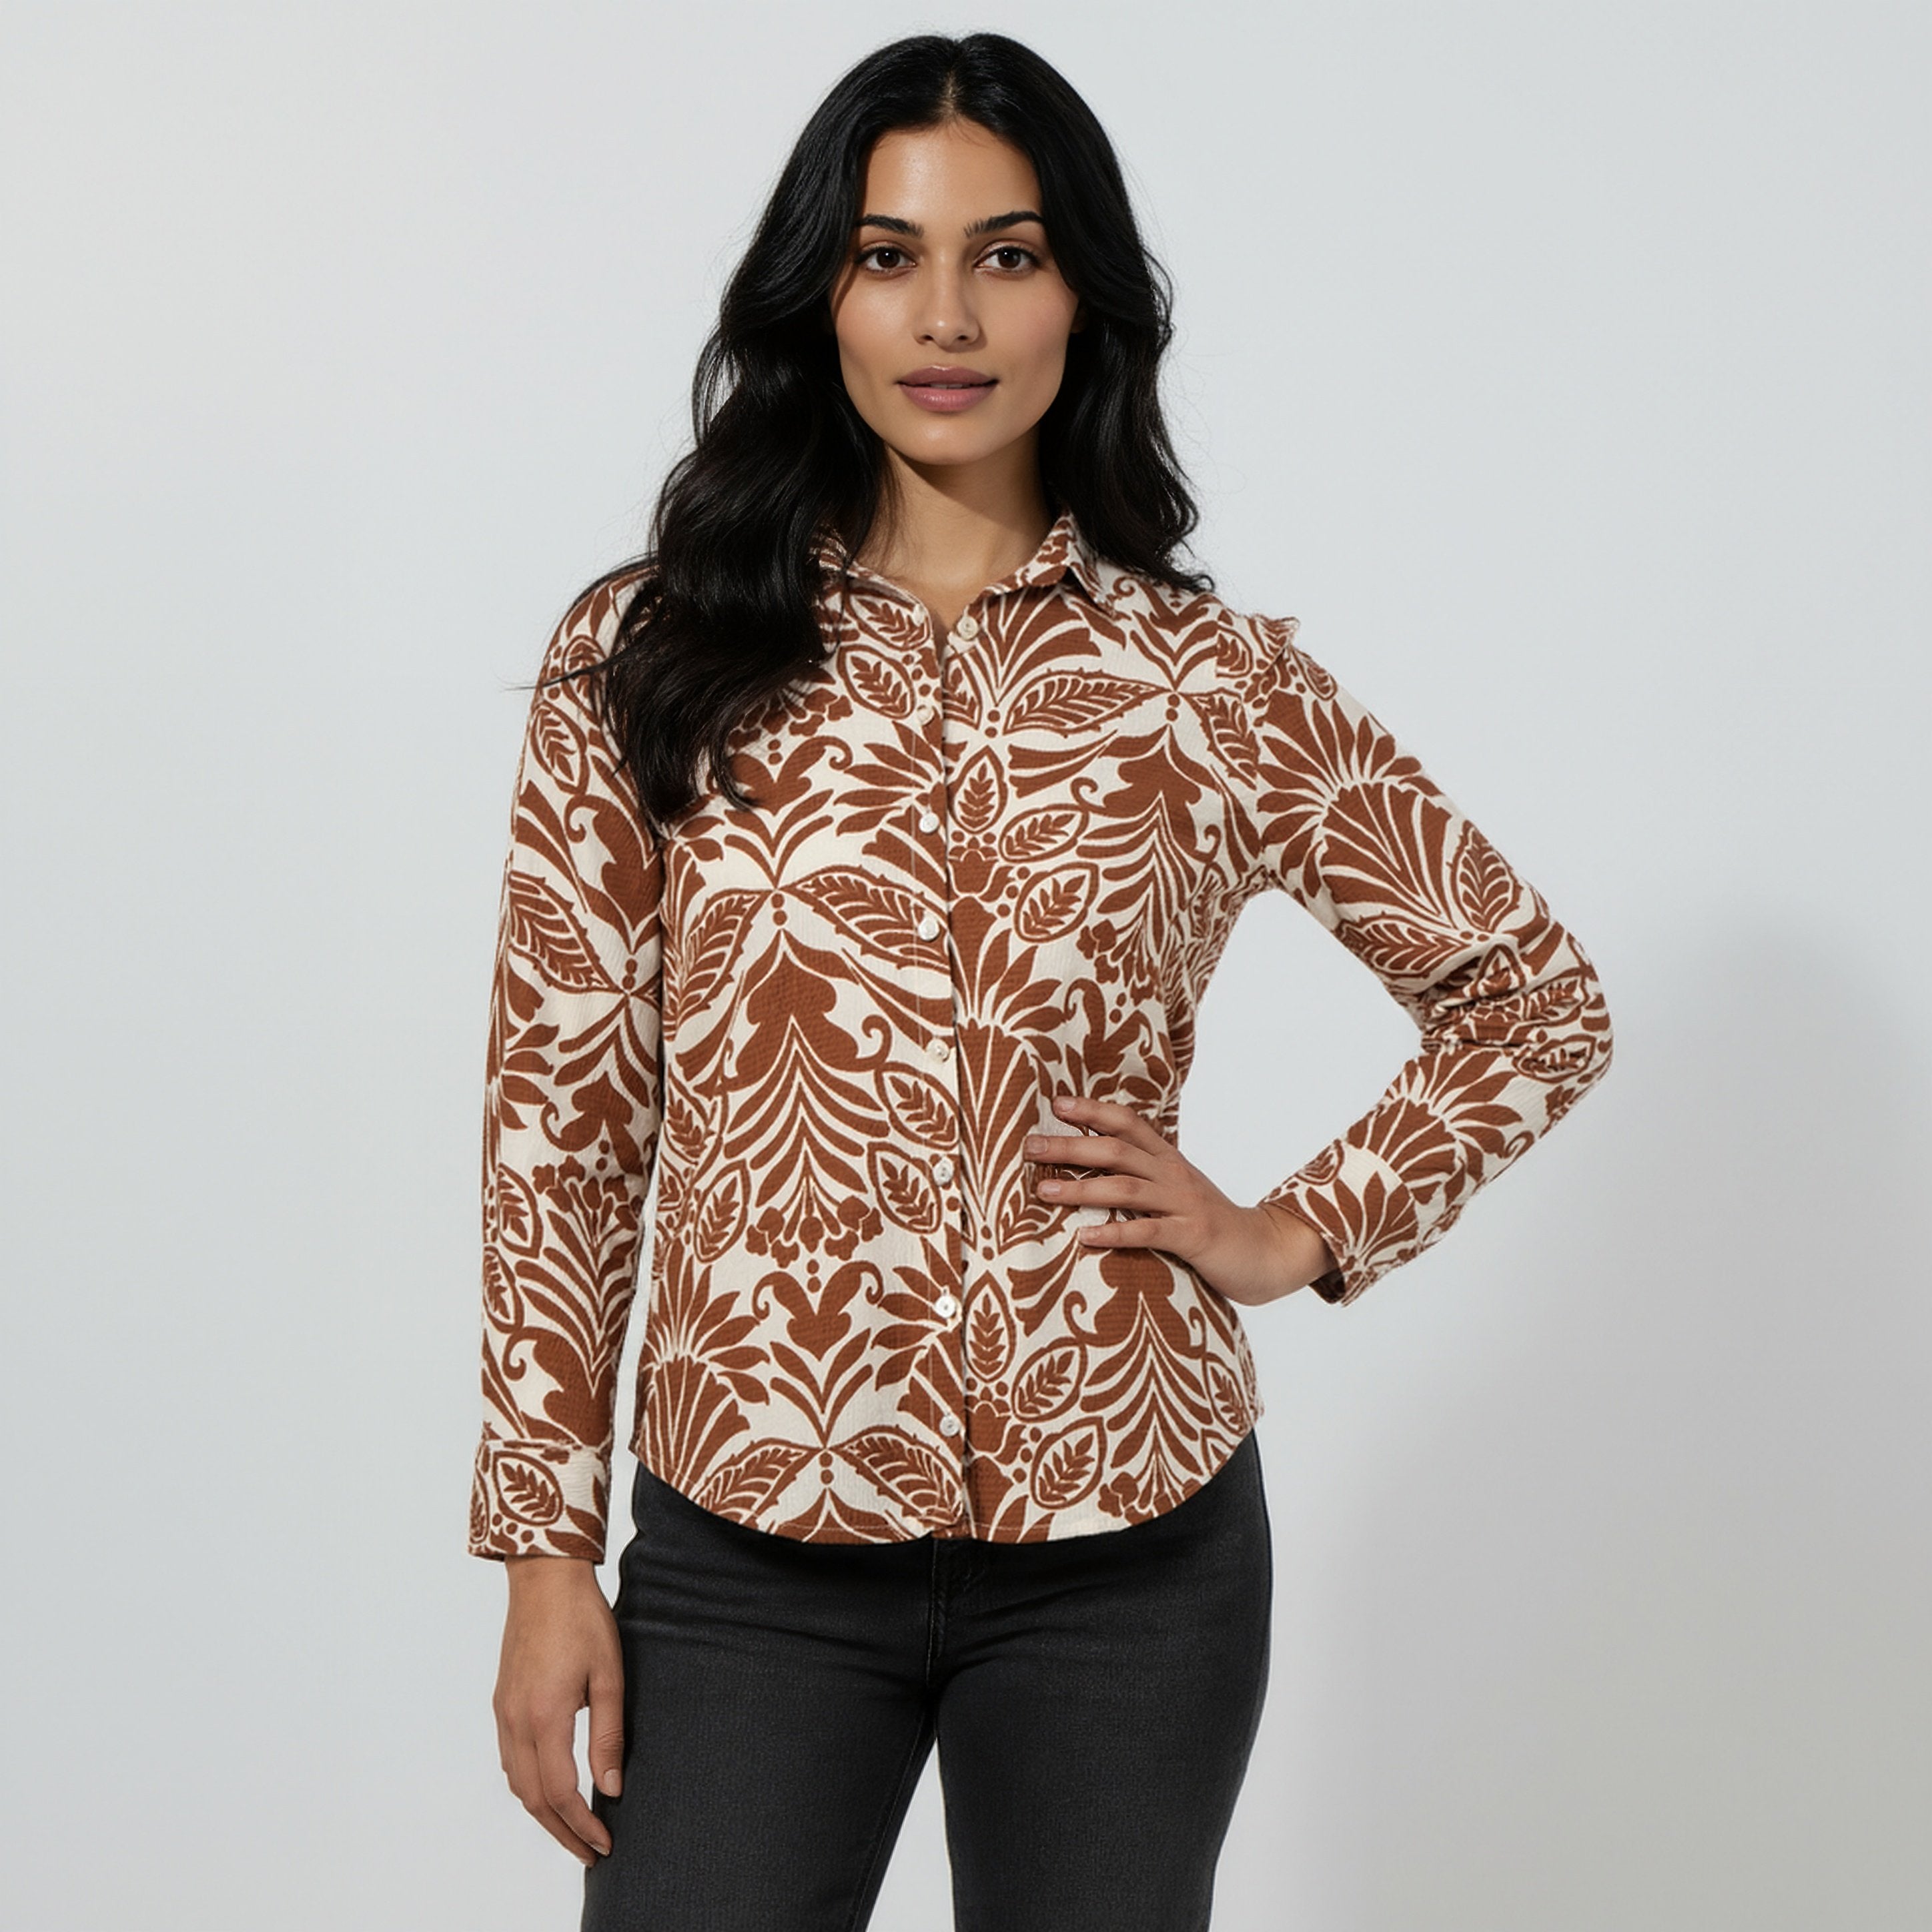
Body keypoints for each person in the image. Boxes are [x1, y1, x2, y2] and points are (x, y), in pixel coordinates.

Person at [470, 30, 1614, 1932]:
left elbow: (1530, 996)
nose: (948, 316)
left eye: (1006, 255)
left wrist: (1295, 1231)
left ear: (1084, 295)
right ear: (818, 295)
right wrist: (541, 1550)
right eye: (887, 256)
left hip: (1132, 1556)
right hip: (747, 1550)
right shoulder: (651, 653)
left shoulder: (1213, 684)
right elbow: (562, 1125)